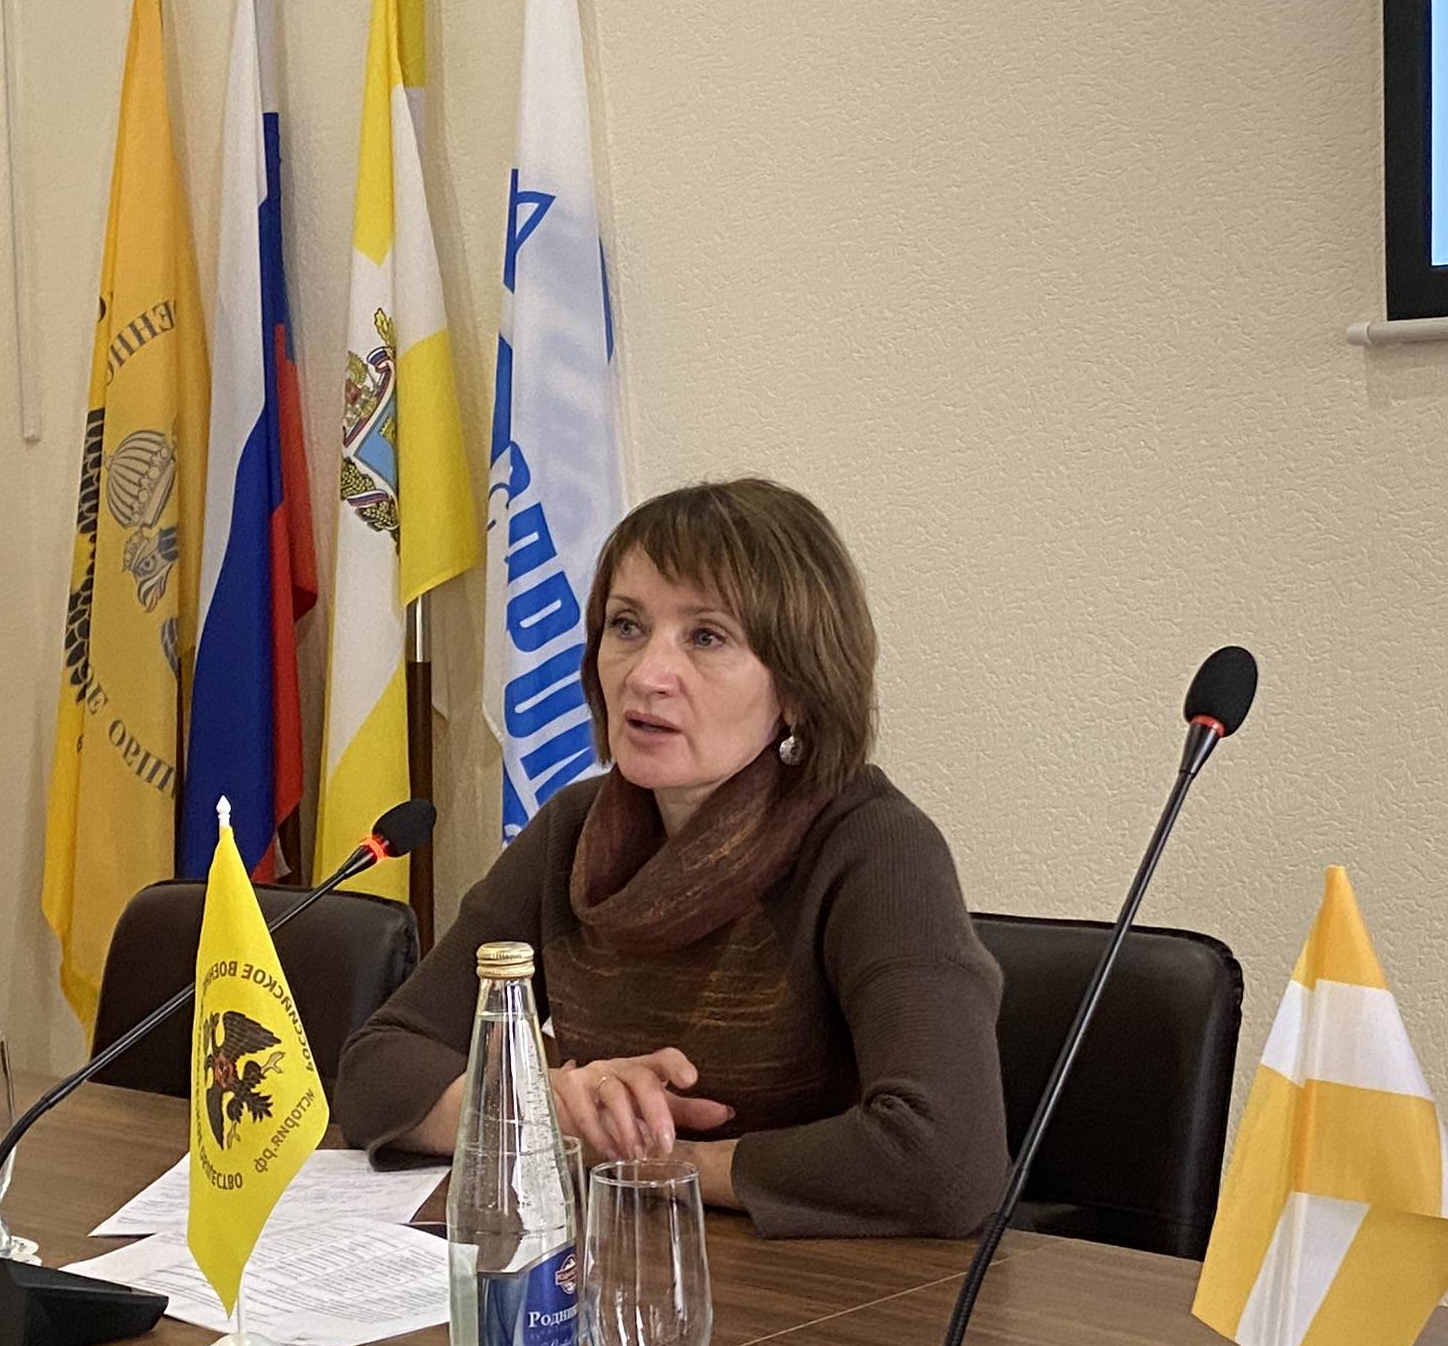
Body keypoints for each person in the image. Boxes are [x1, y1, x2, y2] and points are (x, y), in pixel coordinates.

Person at [331, 479, 1009, 1238]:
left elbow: (946, 1158)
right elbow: (377, 1070)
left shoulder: (873, 846)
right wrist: (546, 1106)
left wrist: (661, 1161)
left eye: (706, 637)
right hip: (615, 1259)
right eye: (626, 626)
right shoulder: (573, 832)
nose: (646, 674)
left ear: (799, 686)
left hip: (829, 1288)